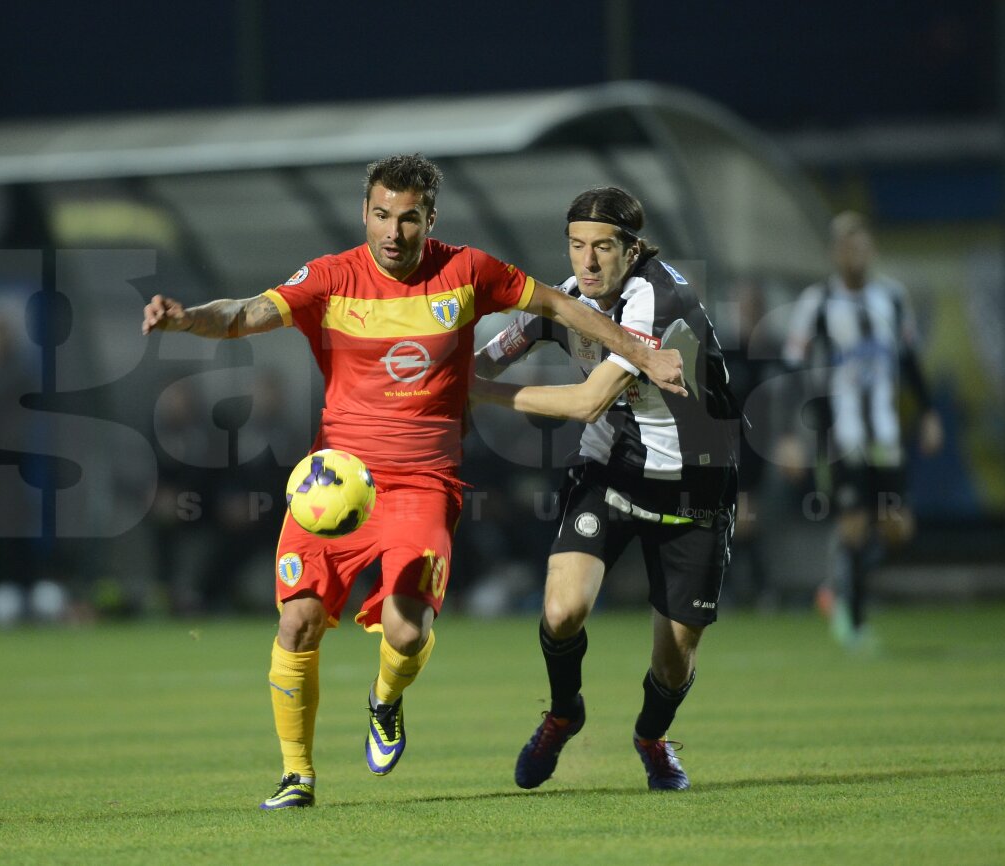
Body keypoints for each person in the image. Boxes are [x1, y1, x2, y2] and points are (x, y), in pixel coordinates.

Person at [141, 155, 687, 809]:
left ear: (430, 218)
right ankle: (296, 776)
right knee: (298, 624)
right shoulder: (331, 277)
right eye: (380, 216)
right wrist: (184, 318)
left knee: (405, 630)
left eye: (407, 219)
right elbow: (242, 313)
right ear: (363, 215)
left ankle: (385, 699)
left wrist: (642, 351)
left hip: (424, 484)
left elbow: (561, 307)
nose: (393, 233)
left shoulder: (467, 272)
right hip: (334, 480)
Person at [473, 186, 740, 791]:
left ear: (631, 248)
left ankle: (651, 736)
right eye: (575, 246)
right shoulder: (565, 301)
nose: (586, 262)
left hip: (694, 487)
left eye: (602, 247)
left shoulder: (658, 298)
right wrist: (424, 365)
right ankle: (564, 712)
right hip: (611, 473)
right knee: (562, 609)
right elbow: (488, 358)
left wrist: (474, 392)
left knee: (673, 660)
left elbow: (589, 401)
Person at [777, 211, 943, 650]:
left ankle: (835, 585)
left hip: (884, 434)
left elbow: (908, 359)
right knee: (854, 525)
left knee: (896, 529)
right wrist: (790, 434)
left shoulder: (891, 297)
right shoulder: (818, 302)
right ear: (835, 253)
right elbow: (792, 369)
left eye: (861, 244)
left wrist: (928, 412)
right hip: (840, 435)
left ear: (871, 249)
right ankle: (853, 620)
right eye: (847, 245)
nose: (855, 253)